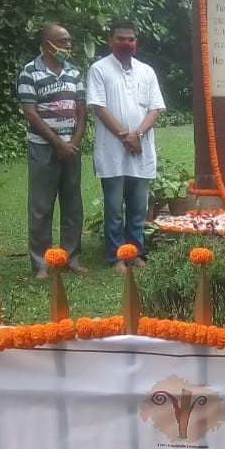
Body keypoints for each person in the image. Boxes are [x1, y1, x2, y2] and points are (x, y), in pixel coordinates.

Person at [87, 19, 166, 272]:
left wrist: (138, 135)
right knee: (113, 208)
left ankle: (136, 253)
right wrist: (125, 136)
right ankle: (116, 257)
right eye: (121, 38)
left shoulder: (147, 71)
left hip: (141, 150)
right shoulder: (99, 69)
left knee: (138, 208)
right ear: (111, 41)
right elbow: (99, 107)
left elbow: (155, 109)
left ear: (136, 42)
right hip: (112, 151)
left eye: (130, 39)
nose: (126, 43)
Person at [17, 22, 87, 278]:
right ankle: (41, 263)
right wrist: (58, 144)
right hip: (42, 149)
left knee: (73, 204)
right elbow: (30, 112)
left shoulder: (74, 72)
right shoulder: (29, 73)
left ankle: (72, 258)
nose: (68, 46)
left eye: (69, 41)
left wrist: (73, 143)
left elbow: (81, 110)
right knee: (41, 206)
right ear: (48, 44)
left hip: (72, 148)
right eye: (63, 41)